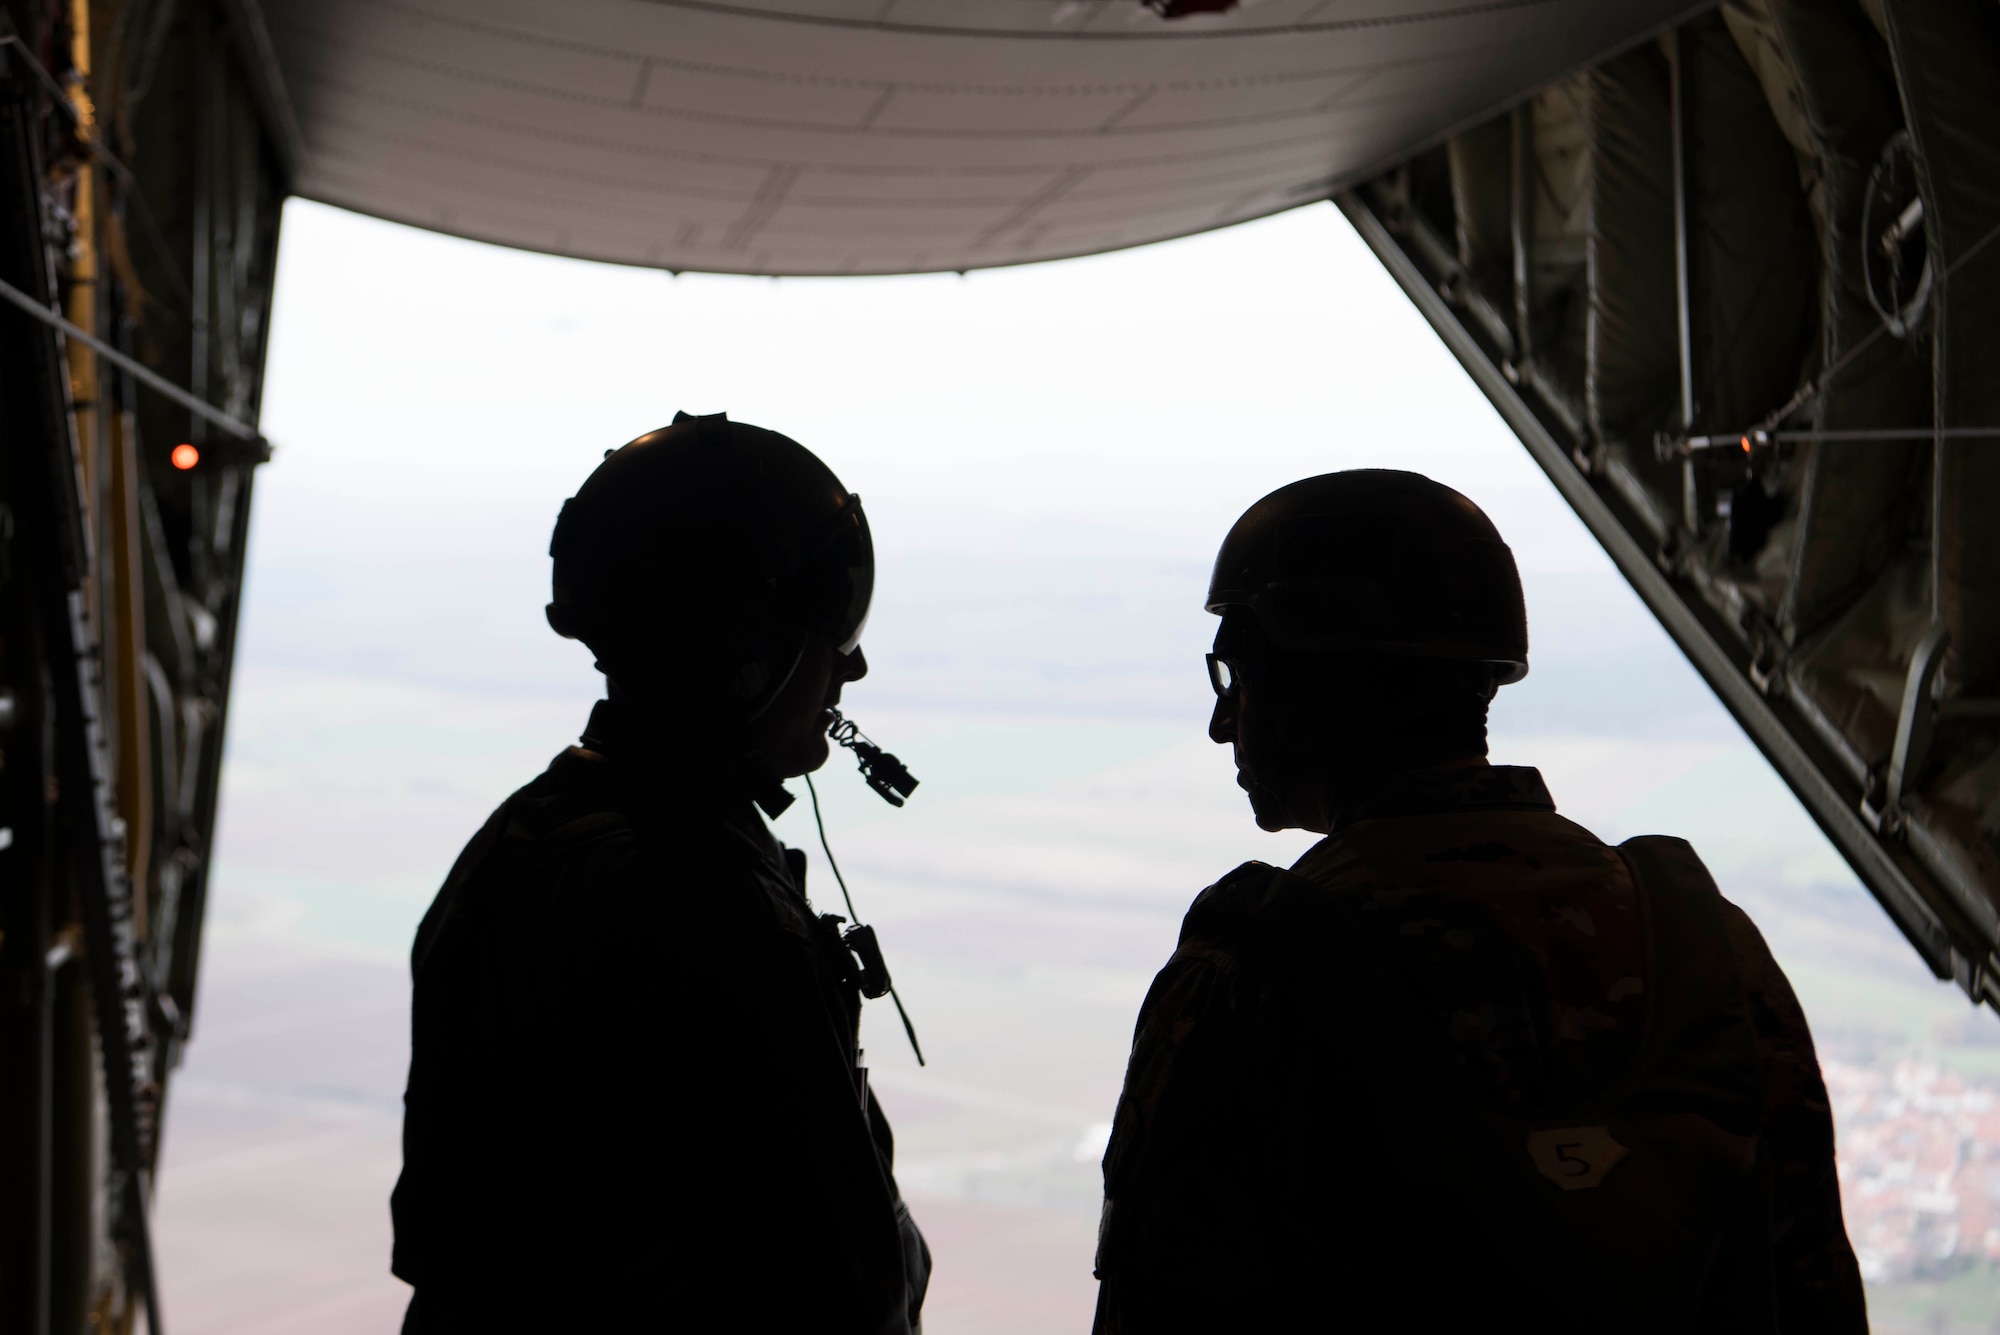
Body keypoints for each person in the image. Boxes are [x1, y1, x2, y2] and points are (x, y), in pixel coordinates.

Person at [1091, 471, 1866, 1334]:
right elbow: (1814, 1297)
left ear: (1332, 675)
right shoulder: (1707, 946)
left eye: (1237, 673)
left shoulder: (1243, 981)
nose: (1223, 721)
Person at [389, 412, 929, 1333]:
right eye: (831, 619)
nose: (854, 665)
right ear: (744, 651)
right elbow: (839, 1285)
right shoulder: (706, 902)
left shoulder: (523, 839)